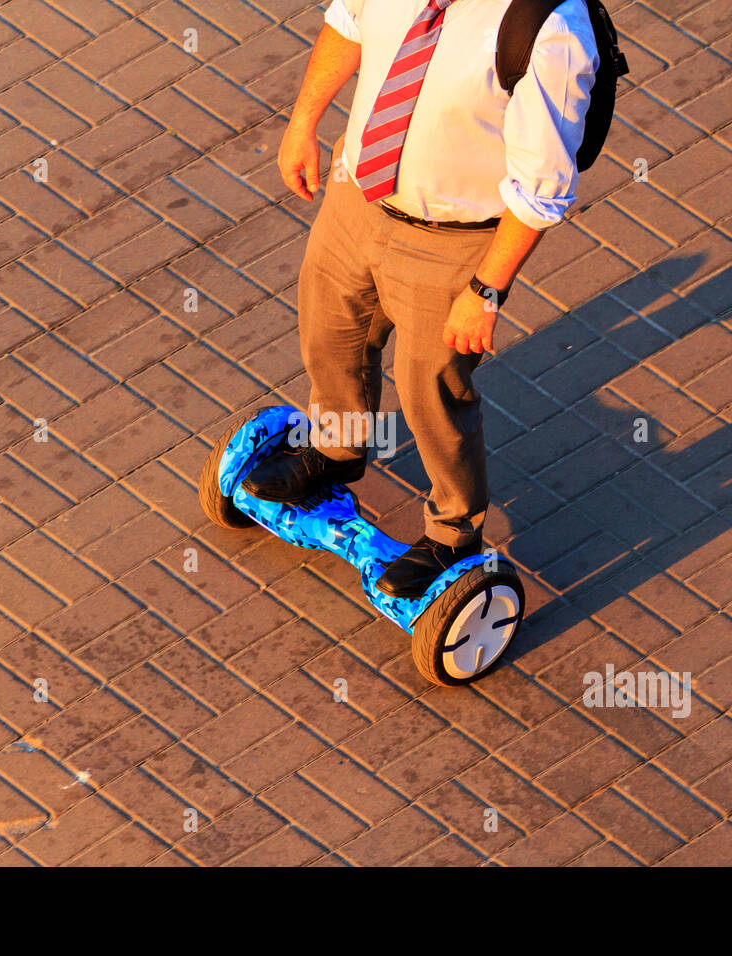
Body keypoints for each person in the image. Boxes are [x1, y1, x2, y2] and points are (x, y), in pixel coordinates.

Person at [242, 0, 599, 597]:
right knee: (330, 333)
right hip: (357, 195)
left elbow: (543, 189)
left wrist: (486, 291)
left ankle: (454, 534)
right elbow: (347, 25)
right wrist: (303, 123)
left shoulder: (547, 28)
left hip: (454, 241)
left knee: (430, 389)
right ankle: (337, 450)